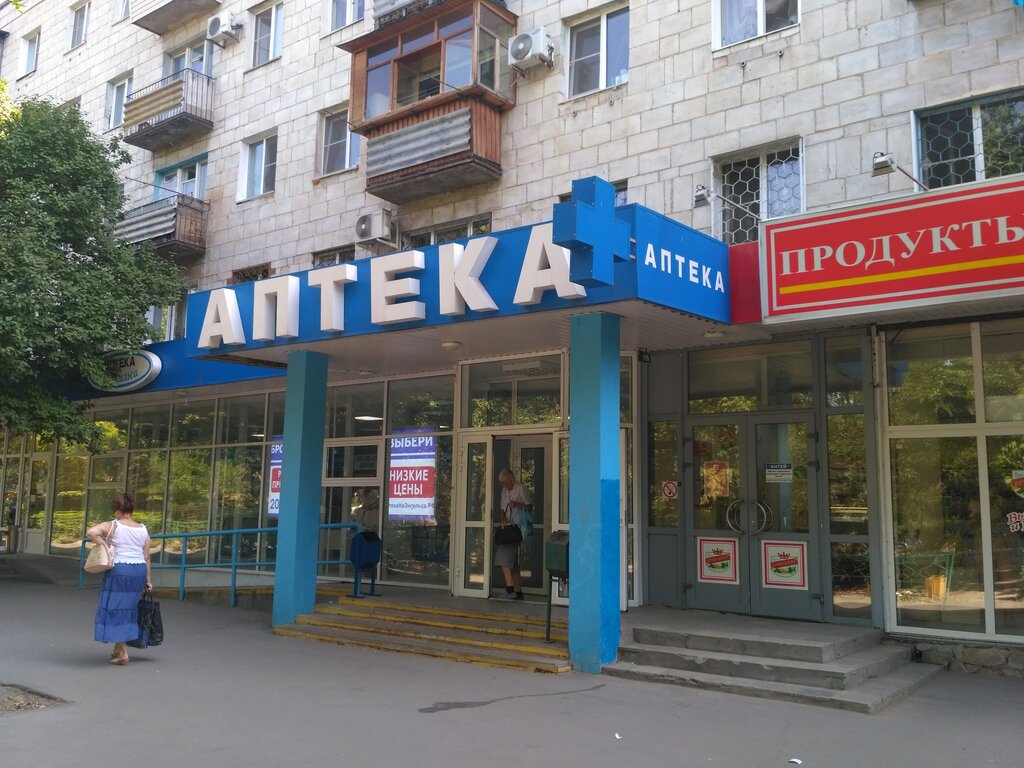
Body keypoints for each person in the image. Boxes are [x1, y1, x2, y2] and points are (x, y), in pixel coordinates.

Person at [87, 492, 152, 666]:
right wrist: (148, 580)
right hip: (138, 571)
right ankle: (118, 648)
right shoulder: (143, 530)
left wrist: (103, 544)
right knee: (128, 608)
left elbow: (92, 532)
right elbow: (146, 557)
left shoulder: (113, 525)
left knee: (115, 608)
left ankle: (122, 653)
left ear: (117, 510)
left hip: (120, 569)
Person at [496, 469, 531, 600]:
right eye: (502, 483)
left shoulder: (520, 488)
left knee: (502, 558)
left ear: (512, 480)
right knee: (513, 563)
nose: (504, 486)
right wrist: (503, 517)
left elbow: (530, 507)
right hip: (507, 527)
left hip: (516, 529)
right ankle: (518, 592)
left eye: (506, 483)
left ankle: (509, 589)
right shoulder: (504, 491)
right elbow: (502, 508)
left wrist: (517, 504)